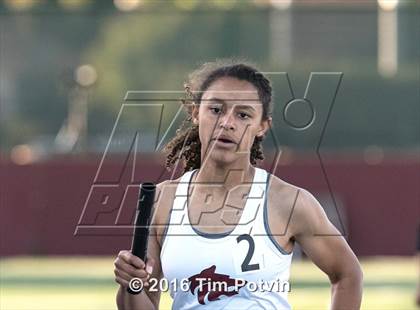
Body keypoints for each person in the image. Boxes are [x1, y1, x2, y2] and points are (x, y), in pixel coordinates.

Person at [114, 60, 363, 309]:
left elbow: (348, 275)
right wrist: (130, 284)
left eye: (243, 114)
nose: (227, 122)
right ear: (195, 113)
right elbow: (141, 302)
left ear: (262, 127)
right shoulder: (162, 200)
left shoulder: (288, 202)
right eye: (215, 110)